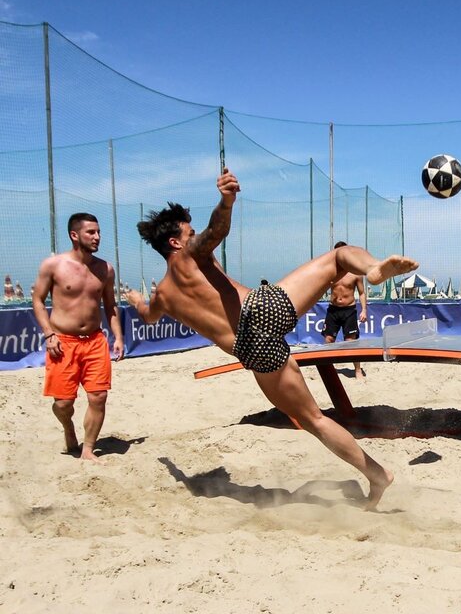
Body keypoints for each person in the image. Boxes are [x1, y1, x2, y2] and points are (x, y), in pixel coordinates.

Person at [125, 168, 418, 510]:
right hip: (261, 310)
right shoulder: (190, 258)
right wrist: (227, 200)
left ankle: (378, 474)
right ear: (176, 243)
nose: (194, 237)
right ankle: (371, 270)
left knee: (314, 420)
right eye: (188, 234)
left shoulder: (163, 293)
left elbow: (148, 316)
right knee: (340, 257)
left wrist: (136, 302)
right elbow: (216, 230)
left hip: (250, 349)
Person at [32, 213, 124, 461]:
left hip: (95, 341)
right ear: (75, 235)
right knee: (63, 404)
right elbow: (38, 301)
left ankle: (88, 449)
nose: (97, 237)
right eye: (91, 232)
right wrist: (49, 335)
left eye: (98, 231)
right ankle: (68, 428)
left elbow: (111, 306)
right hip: (63, 342)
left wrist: (118, 337)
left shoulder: (105, 269)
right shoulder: (53, 265)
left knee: (99, 396)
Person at [324, 240, 369, 380]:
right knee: (328, 340)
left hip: (349, 310)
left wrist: (364, 310)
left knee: (351, 342)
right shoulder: (331, 271)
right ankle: (329, 370)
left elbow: (361, 293)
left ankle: (357, 370)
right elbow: (320, 288)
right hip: (333, 310)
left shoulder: (356, 273)